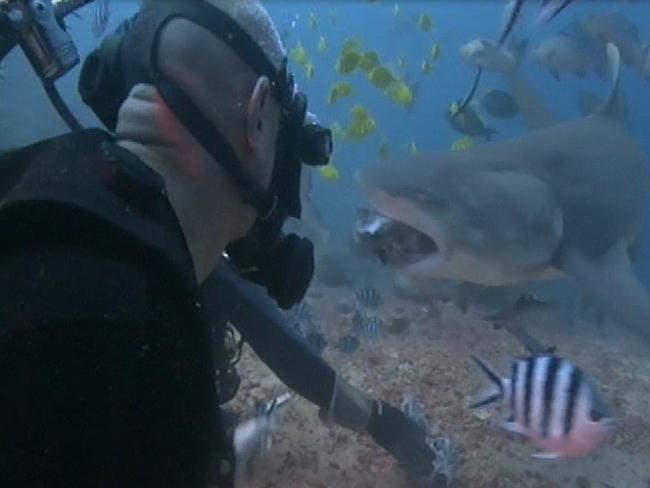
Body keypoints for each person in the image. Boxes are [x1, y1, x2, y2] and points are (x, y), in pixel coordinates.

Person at [0, 1, 454, 487]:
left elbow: (270, 333)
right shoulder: (135, 320)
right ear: (258, 115)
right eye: (289, 132)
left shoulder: (65, 206)